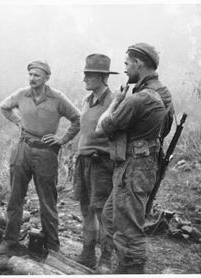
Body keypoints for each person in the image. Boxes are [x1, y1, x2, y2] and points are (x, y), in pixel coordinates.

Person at [96, 43, 170, 274]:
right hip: (139, 165)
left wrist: (117, 101)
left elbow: (102, 128)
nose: (125, 69)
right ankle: (110, 264)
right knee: (110, 216)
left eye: (127, 63)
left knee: (129, 232)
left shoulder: (138, 99)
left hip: (133, 169)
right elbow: (165, 128)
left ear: (138, 63)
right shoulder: (161, 93)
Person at [0, 60, 80, 253]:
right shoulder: (21, 94)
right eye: (31, 75)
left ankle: (52, 246)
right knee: (15, 198)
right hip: (23, 149)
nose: (32, 79)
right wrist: (19, 122)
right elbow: (4, 107)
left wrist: (62, 139)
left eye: (37, 75)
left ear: (47, 78)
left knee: (47, 201)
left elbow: (77, 118)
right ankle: (10, 241)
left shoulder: (57, 98)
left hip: (46, 152)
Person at [73, 54, 117, 271]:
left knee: (102, 212)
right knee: (86, 210)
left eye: (88, 75)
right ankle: (88, 252)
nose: (84, 80)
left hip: (101, 163)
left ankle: (106, 259)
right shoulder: (87, 100)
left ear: (101, 77)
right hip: (83, 161)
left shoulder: (114, 101)